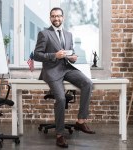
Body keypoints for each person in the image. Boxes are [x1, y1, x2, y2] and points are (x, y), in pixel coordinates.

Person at [34, 7, 95, 148]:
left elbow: (70, 52)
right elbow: (37, 55)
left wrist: (72, 57)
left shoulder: (68, 34)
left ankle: (80, 122)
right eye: (53, 16)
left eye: (59, 16)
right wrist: (54, 55)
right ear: (50, 18)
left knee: (87, 83)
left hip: (67, 68)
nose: (56, 18)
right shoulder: (44, 33)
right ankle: (60, 135)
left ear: (63, 17)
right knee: (61, 98)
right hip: (52, 70)